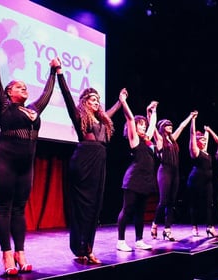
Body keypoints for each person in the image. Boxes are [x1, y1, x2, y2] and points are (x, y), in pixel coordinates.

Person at [0, 39, 58, 275]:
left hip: (27, 166)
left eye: (26, 87)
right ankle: (7, 254)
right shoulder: (5, 107)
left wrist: (52, 71)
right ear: (9, 92)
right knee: (4, 207)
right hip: (6, 162)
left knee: (19, 209)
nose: (24, 89)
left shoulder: (33, 110)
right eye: (19, 87)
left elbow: (47, 95)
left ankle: (21, 252)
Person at [52, 58, 126, 264]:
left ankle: (88, 248)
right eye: (93, 99)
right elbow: (67, 96)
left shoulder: (102, 120)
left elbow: (109, 113)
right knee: (81, 207)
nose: (97, 102)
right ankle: (80, 247)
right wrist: (59, 72)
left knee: (95, 206)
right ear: (85, 101)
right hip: (83, 161)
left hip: (99, 162)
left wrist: (120, 101)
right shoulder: (79, 115)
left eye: (98, 99)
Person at [116, 97, 160, 252]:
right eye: (140, 125)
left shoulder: (147, 141)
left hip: (146, 180)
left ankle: (139, 240)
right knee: (127, 210)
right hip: (133, 179)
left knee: (140, 212)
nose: (143, 127)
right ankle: (120, 241)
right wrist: (124, 102)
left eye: (144, 125)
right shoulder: (134, 140)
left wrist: (153, 111)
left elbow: (153, 123)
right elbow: (129, 117)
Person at [150, 112, 193, 241]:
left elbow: (181, 126)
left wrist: (190, 117)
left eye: (171, 125)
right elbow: (153, 128)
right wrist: (153, 112)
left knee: (171, 202)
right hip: (164, 170)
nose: (170, 126)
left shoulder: (173, 139)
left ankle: (167, 230)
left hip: (175, 172)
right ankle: (155, 224)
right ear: (162, 127)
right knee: (163, 201)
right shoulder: (160, 139)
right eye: (167, 125)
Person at [186, 111, 218, 238]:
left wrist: (208, 130)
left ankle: (210, 227)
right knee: (195, 204)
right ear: (197, 141)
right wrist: (193, 119)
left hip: (208, 182)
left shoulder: (205, 151)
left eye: (205, 140)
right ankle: (194, 227)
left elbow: (208, 137)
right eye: (202, 140)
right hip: (195, 180)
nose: (205, 141)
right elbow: (192, 134)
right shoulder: (195, 151)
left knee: (209, 204)